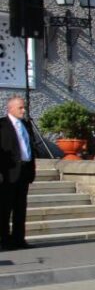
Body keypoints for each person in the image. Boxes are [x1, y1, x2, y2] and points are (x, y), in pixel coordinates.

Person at [0, 96, 38, 250]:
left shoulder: (26, 125)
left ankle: (19, 239)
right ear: (10, 108)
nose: (24, 110)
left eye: (24, 107)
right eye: (20, 108)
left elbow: (30, 147)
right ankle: (4, 239)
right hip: (8, 173)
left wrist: (31, 169)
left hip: (24, 171)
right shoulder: (2, 125)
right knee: (4, 208)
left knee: (20, 208)